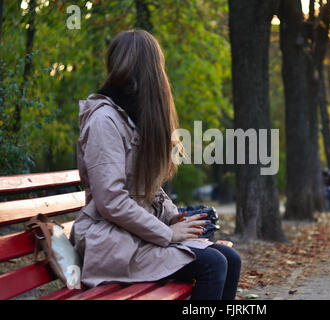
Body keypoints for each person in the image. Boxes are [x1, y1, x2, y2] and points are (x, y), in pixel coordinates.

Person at [71, 30, 241, 300]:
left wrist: (174, 217)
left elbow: (149, 188)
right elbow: (111, 199)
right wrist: (168, 232)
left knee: (230, 257)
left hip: (134, 236)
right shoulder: (105, 121)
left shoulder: (130, 118)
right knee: (214, 264)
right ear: (148, 69)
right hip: (111, 241)